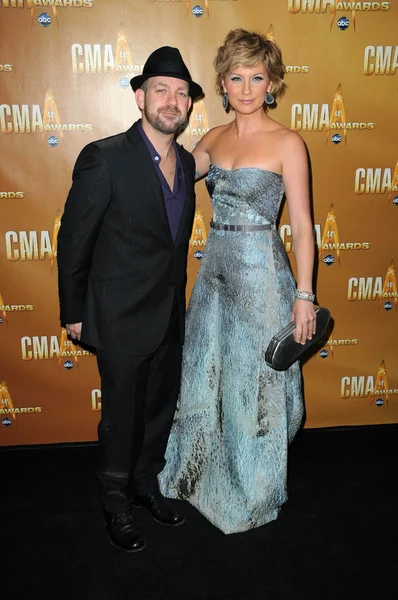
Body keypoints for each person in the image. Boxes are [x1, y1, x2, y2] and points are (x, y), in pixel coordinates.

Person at [159, 29, 316, 534]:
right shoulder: (211, 139)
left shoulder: (288, 142)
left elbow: (303, 227)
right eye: (235, 77)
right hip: (214, 279)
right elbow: (170, 178)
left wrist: (304, 297)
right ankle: (194, 473)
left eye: (256, 77)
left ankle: (254, 489)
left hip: (262, 276)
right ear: (223, 84)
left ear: (271, 84)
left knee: (256, 386)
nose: (245, 88)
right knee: (204, 372)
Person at [57, 46, 203, 552]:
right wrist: (73, 311)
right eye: (161, 89)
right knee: (121, 415)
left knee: (159, 410)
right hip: (119, 316)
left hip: (167, 315)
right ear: (140, 97)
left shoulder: (186, 162)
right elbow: (74, 239)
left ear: (189, 107)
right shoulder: (105, 157)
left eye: (182, 93)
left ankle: (147, 485)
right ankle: (115, 501)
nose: (172, 100)